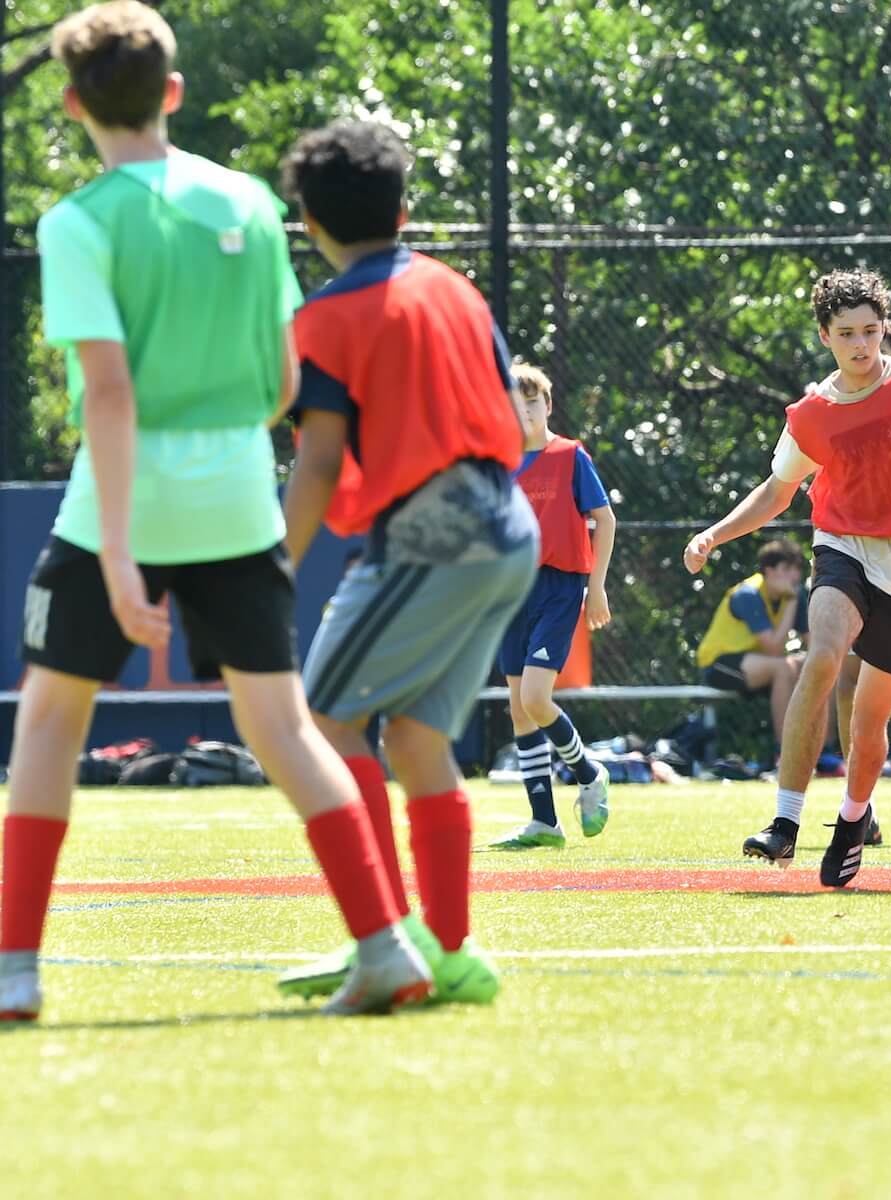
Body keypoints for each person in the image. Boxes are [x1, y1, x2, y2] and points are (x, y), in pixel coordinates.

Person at [1, 2, 428, 1021]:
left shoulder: (75, 223)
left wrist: (114, 556)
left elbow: (107, 394)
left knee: (51, 723)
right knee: (282, 727)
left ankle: (14, 970)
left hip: (119, 507)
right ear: (175, 94)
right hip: (239, 502)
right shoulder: (241, 197)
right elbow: (285, 382)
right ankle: (384, 947)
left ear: (70, 105)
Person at [272, 119, 537, 1001]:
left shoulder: (325, 317)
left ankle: (386, 945)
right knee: (418, 737)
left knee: (320, 725)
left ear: (307, 221)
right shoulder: (453, 287)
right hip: (507, 524)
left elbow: (316, 460)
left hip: (431, 533)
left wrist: (274, 565)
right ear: (406, 208)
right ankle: (446, 949)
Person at [683, 268, 891, 887]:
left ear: (885, 329)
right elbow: (778, 491)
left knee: (869, 722)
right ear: (825, 335)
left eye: (871, 331)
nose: (861, 345)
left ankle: (854, 819)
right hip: (843, 543)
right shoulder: (814, 412)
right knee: (821, 657)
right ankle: (785, 823)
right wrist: (716, 534)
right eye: (847, 333)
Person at [489, 361, 616, 850]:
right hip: (510, 592)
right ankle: (545, 823)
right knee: (520, 711)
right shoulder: (498, 466)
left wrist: (597, 587)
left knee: (536, 700)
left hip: (559, 588)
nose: (524, 414)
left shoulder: (569, 456)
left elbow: (604, 520)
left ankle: (589, 772)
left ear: (548, 406)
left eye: (532, 404)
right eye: (513, 407)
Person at [696, 537, 809, 759]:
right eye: (787, 568)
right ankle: (785, 754)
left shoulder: (793, 595)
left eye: (796, 569)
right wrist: (792, 603)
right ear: (768, 570)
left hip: (760, 663)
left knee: (822, 667)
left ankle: (827, 753)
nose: (794, 576)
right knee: (783, 668)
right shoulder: (749, 594)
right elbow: (775, 650)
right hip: (719, 664)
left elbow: (815, 645)